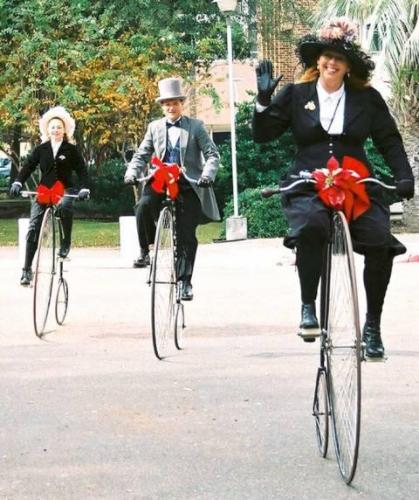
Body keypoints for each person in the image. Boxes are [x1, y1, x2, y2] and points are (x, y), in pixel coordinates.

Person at [252, 18, 415, 358]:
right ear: (318, 60)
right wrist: (264, 102)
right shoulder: (297, 95)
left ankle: (372, 326)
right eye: (326, 56)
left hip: (355, 182)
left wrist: (404, 177)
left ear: (349, 67)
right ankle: (309, 308)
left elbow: (389, 140)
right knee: (311, 226)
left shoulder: (366, 99)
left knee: (380, 242)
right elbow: (264, 134)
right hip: (308, 180)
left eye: (339, 58)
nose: (331, 62)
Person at [124, 77, 220, 300]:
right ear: (162, 106)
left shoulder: (195, 127)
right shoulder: (154, 127)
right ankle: (144, 250)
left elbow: (212, 154)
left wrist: (207, 174)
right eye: (166, 104)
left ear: (181, 104)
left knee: (186, 234)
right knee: (143, 206)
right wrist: (132, 173)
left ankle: (185, 282)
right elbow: (142, 155)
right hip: (161, 178)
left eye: (174, 103)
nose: (171, 107)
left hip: (188, 181)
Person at [10, 106, 90, 286]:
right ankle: (26, 270)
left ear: (65, 130)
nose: (56, 130)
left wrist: (85, 188)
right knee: (33, 227)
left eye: (59, 127)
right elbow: (28, 167)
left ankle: (65, 242)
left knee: (64, 206)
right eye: (53, 127)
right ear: (47, 129)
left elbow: (82, 170)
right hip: (44, 190)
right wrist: (18, 182)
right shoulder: (41, 149)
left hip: (65, 189)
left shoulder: (71, 149)